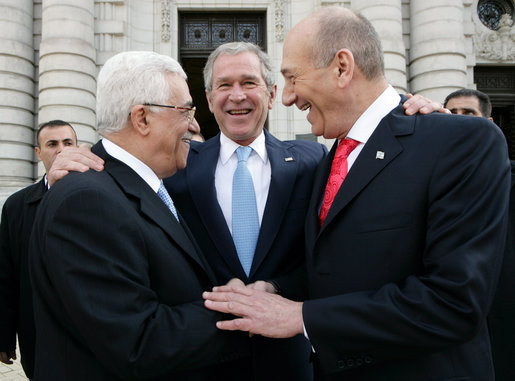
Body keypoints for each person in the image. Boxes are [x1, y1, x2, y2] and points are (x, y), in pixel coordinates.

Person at [43, 41, 443, 380]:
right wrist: (61, 172)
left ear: (271, 93)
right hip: (196, 363)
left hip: (291, 362)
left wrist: (407, 114)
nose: (237, 95)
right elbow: (104, 218)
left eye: (249, 83)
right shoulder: (173, 167)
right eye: (223, 86)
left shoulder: (311, 161)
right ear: (210, 98)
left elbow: (346, 217)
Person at [203, 7, 511, 381]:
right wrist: (272, 290)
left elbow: (453, 303)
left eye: (292, 78)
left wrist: (301, 317)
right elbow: (332, 268)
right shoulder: (328, 159)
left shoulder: (460, 142)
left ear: (342, 68)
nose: (286, 98)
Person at [28, 51, 247, 381]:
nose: (196, 124)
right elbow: (137, 342)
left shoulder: (141, 187)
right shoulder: (87, 201)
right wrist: (242, 312)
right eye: (186, 110)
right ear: (142, 118)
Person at [444, 88, 515, 381]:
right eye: (453, 115)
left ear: (490, 123)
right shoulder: (432, 186)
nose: (460, 122)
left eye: (469, 114)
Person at [0, 120, 77, 379]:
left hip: (88, 332)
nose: (61, 150)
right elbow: (6, 274)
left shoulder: (105, 197)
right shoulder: (16, 206)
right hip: (37, 333)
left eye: (68, 143)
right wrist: (4, 335)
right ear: (38, 152)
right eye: (52, 144)